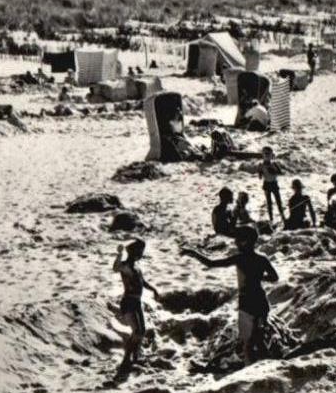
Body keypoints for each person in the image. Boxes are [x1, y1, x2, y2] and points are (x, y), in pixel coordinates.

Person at [181, 227, 279, 363]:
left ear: (245, 242)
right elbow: (274, 278)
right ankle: (265, 364)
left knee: (248, 343)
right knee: (258, 338)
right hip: (261, 301)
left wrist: (193, 253)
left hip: (247, 302)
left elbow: (211, 263)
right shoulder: (262, 259)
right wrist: (259, 278)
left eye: (237, 241)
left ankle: (252, 368)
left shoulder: (239, 258)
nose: (235, 243)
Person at [113, 240, 160, 369]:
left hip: (136, 302)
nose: (141, 254)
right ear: (134, 252)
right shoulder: (126, 266)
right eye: (140, 251)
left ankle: (136, 357)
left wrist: (153, 289)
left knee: (142, 331)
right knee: (137, 332)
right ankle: (126, 360)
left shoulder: (137, 268)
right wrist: (119, 254)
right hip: (128, 302)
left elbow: (142, 282)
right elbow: (116, 268)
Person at [254, 146, 285, 224]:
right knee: (269, 202)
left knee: (278, 201)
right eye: (265, 154)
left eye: (269, 154)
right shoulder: (261, 165)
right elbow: (260, 177)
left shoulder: (274, 163)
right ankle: (271, 219)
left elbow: (281, 173)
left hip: (274, 183)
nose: (267, 156)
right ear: (263, 155)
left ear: (272, 155)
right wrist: (260, 173)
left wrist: (273, 171)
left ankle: (283, 217)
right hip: (267, 184)